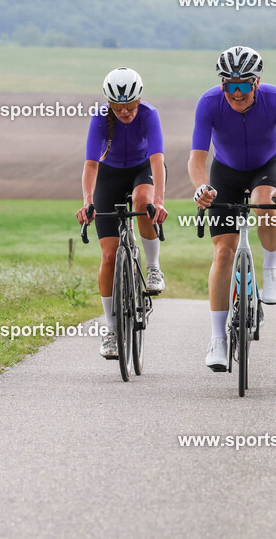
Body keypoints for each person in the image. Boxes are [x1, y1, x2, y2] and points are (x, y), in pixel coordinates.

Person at [189, 46, 276, 371]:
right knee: (224, 252)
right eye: (229, 86)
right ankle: (218, 340)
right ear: (222, 85)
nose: (236, 94)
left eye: (243, 85)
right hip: (225, 171)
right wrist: (201, 188)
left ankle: (271, 270)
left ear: (257, 82)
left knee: (264, 202)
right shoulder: (208, 103)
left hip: (267, 165)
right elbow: (197, 159)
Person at [76, 67, 169, 359]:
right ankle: (113, 330)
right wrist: (88, 201)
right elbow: (91, 164)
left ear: (139, 100)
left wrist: (160, 201)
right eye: (118, 106)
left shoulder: (149, 115)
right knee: (108, 255)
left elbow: (157, 160)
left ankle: (152, 266)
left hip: (143, 169)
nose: (125, 111)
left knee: (143, 201)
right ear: (109, 103)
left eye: (130, 104)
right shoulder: (100, 118)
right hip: (110, 175)